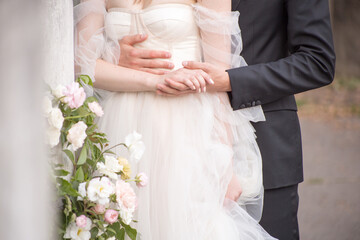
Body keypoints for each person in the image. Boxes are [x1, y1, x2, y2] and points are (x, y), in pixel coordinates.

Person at [119, 0, 336, 239]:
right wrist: (120, 55)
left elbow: (317, 61)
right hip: (167, 147)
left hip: (264, 149)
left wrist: (231, 81)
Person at [74, 0, 276, 239]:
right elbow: (80, 65)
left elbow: (219, 78)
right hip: (120, 132)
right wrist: (146, 76)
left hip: (186, 130)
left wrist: (225, 161)